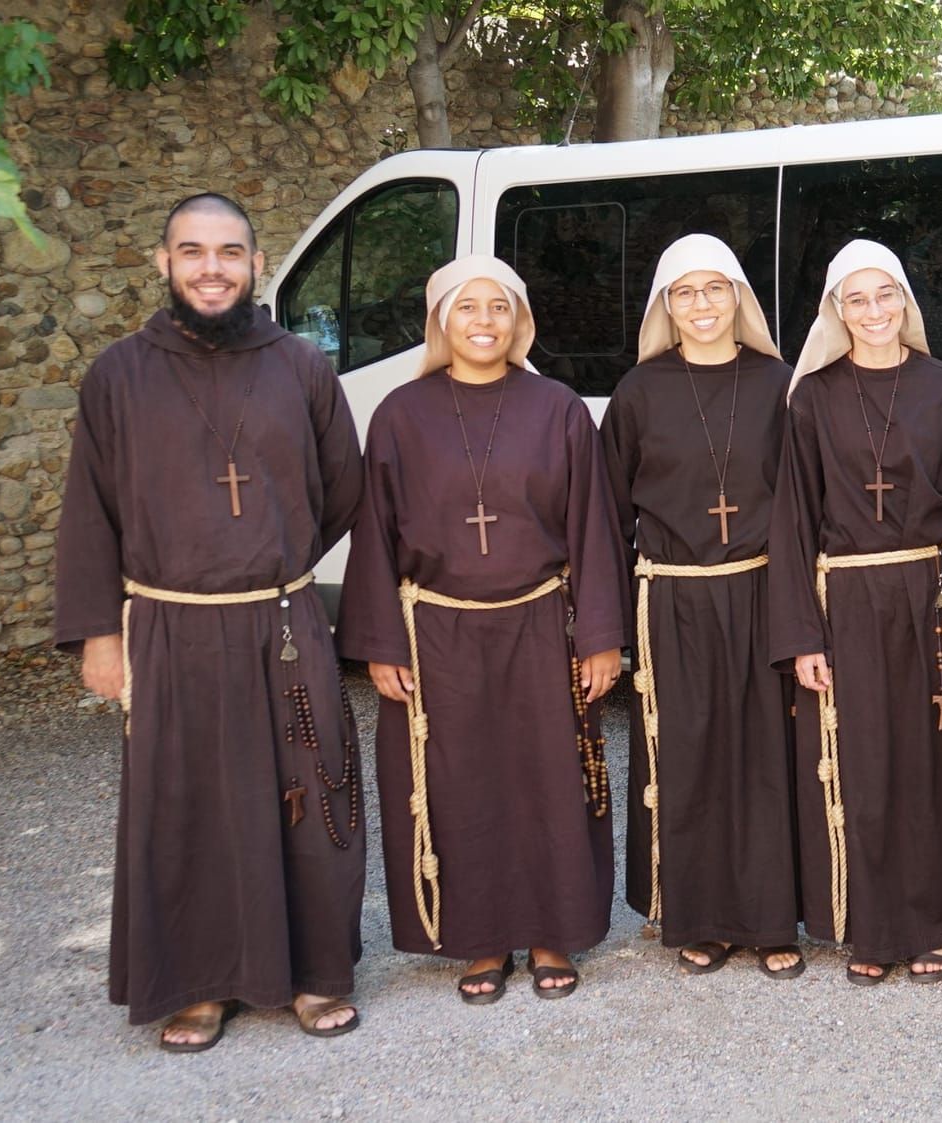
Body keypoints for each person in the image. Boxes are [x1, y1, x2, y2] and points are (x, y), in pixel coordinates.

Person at [54, 192, 366, 1050]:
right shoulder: (118, 374)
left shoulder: (301, 366)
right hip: (173, 628)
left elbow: (343, 487)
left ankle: (314, 973)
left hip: (282, 619)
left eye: (229, 252)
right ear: (163, 264)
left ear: (256, 264)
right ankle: (199, 980)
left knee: (310, 794)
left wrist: (279, 559)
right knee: (191, 802)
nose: (212, 268)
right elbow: (90, 513)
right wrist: (100, 635)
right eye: (192, 252)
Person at [337, 256, 628, 1004]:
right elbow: (374, 535)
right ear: (441, 322)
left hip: (541, 627)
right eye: (467, 309)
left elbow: (594, 526)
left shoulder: (558, 408)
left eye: (498, 308)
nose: (484, 322)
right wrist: (380, 645)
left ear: (519, 321)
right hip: (439, 633)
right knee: (459, 784)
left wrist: (600, 636)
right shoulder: (401, 414)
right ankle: (480, 938)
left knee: (550, 778)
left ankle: (551, 929)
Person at [768, 240, 942, 986]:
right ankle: (870, 926)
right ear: (838, 311)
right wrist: (802, 632)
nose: (874, 312)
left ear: (907, 302)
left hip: (933, 594)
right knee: (862, 762)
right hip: (849, 600)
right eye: (858, 299)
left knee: (939, 762)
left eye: (887, 296)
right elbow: (793, 522)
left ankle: (937, 922)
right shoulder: (812, 397)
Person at [600, 234, 803, 979]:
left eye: (714, 289)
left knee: (764, 756)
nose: (701, 305)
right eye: (683, 292)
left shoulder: (779, 382)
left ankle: (772, 918)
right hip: (674, 597)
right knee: (689, 756)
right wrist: (614, 621)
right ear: (665, 306)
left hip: (758, 587)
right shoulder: (639, 391)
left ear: (739, 297)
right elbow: (607, 508)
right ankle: (702, 916)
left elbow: (803, 500)